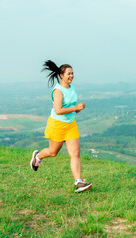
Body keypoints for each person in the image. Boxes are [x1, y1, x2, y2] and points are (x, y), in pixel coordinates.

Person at [30, 60, 92, 193]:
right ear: (61, 75)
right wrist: (75, 107)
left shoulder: (72, 88)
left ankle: (78, 182)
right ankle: (38, 157)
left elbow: (71, 108)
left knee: (75, 153)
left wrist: (78, 109)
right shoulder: (58, 91)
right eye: (68, 74)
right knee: (53, 152)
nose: (71, 76)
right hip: (57, 126)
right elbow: (58, 110)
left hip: (70, 125)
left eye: (72, 73)